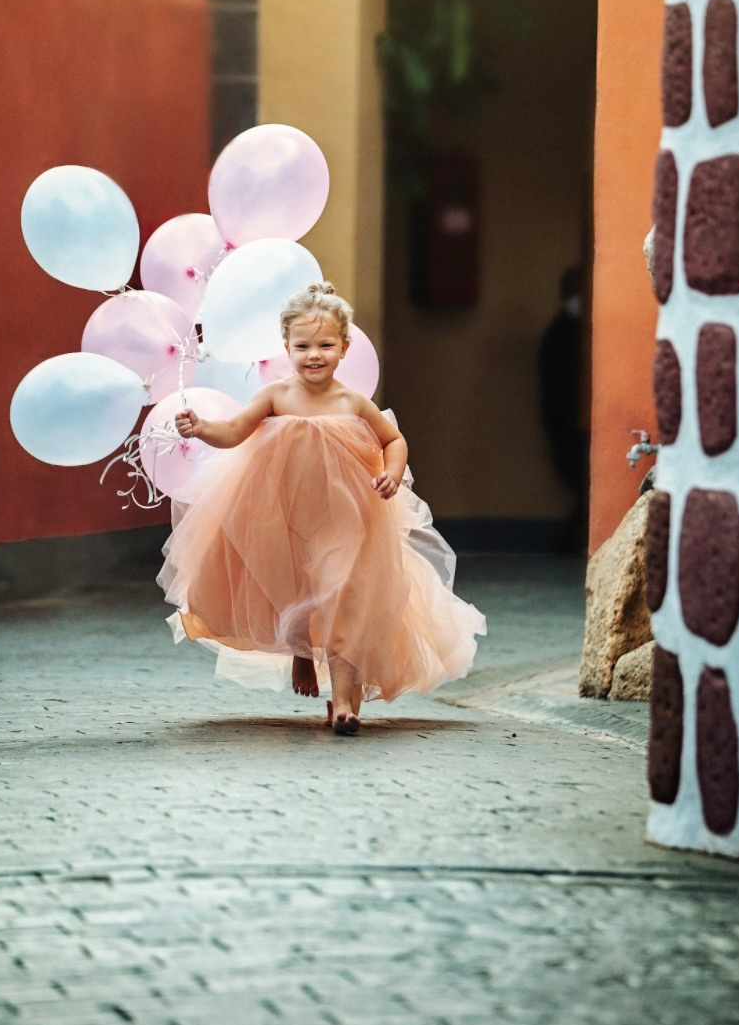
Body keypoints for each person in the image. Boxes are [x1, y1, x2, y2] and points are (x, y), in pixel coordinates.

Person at [160, 282, 485, 735]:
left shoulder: (351, 402)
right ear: (286, 346)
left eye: (326, 345)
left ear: (345, 347)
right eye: (303, 345)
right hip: (283, 514)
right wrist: (201, 427)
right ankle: (302, 651)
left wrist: (392, 472)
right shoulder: (275, 396)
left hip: (344, 518)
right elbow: (234, 431)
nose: (315, 355)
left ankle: (345, 703)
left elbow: (394, 440)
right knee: (294, 589)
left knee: (342, 597)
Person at [536, 264, 589, 551]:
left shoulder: (570, 330)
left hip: (566, 424)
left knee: (583, 490)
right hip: (566, 425)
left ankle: (567, 543)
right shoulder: (563, 334)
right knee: (583, 486)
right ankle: (566, 544)